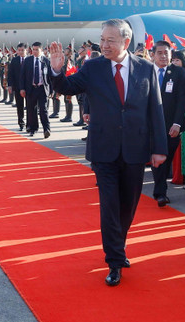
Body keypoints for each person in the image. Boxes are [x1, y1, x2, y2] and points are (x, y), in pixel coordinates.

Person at [48, 19, 167, 287]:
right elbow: (67, 87)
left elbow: (156, 110)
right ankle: (114, 260)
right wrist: (56, 70)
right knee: (110, 205)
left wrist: (159, 148)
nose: (104, 45)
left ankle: (117, 246)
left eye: (110, 40)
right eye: (102, 39)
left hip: (135, 150)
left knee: (128, 206)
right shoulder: (93, 67)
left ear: (126, 42)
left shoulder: (146, 68)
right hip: (104, 149)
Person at [150, 40, 185, 207]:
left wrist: (177, 123)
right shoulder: (147, 71)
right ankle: (160, 192)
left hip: (172, 125)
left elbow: (182, 99)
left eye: (166, 53)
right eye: (160, 53)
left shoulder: (178, 72)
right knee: (156, 157)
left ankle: (160, 188)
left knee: (167, 157)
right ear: (153, 55)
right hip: (151, 125)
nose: (163, 56)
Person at [20, 42, 52, 139]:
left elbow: (50, 77)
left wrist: (51, 90)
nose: (34, 51)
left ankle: (46, 129)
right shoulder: (28, 60)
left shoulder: (46, 61)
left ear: (41, 50)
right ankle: (33, 129)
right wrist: (22, 88)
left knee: (43, 110)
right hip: (31, 89)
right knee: (31, 110)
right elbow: (22, 75)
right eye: (33, 49)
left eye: (37, 49)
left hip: (42, 89)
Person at [7, 43, 27, 131]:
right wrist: (10, 85)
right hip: (18, 86)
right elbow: (10, 74)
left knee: (30, 106)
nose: (21, 52)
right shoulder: (14, 60)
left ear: (26, 50)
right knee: (19, 106)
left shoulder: (30, 60)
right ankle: (21, 123)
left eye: (22, 50)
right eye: (19, 50)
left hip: (28, 87)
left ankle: (30, 124)